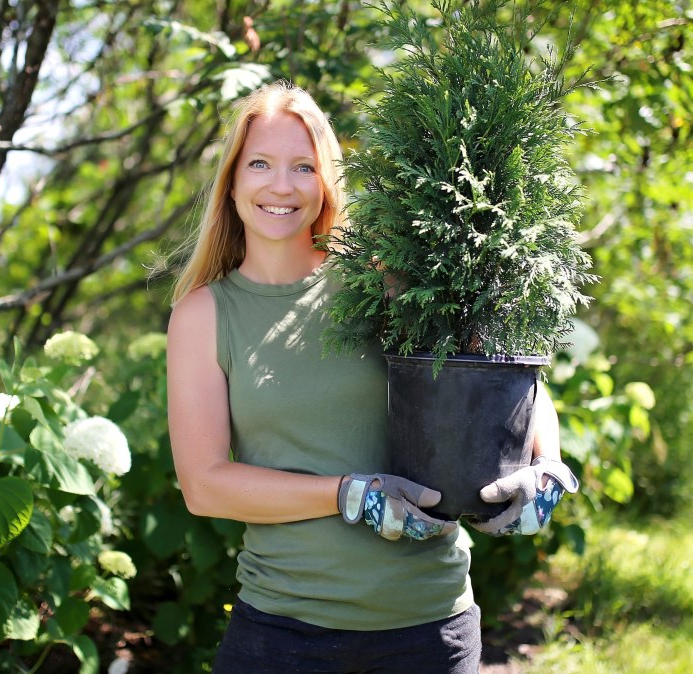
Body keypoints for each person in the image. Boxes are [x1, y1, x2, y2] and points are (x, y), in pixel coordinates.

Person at [166, 80, 578, 674]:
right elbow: (205, 485)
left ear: (326, 181)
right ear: (231, 181)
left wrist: (544, 466)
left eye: (302, 166)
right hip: (282, 634)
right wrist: (348, 494)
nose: (281, 185)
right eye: (260, 163)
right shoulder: (204, 315)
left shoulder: (382, 280)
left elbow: (503, 380)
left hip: (429, 628)